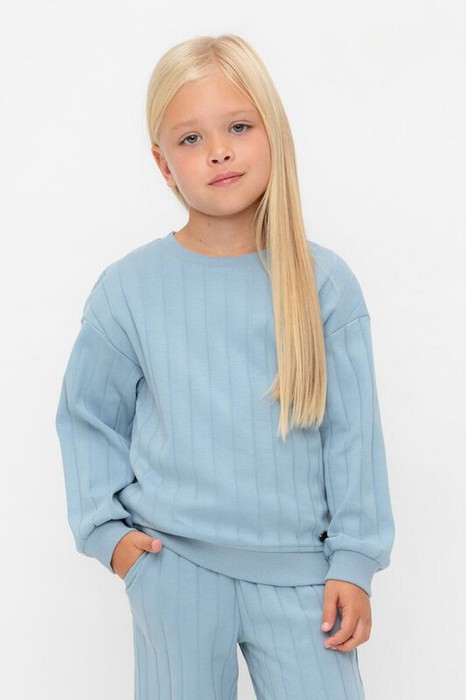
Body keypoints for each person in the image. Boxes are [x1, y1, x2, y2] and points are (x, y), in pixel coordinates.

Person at [55, 33, 395, 700]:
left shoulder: (324, 283)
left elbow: (354, 438)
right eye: (191, 138)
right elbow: (87, 419)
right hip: (174, 569)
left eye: (238, 126)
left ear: (273, 131)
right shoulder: (128, 289)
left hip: (305, 578)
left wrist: (354, 560)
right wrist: (110, 537)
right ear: (164, 164)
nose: (218, 150)